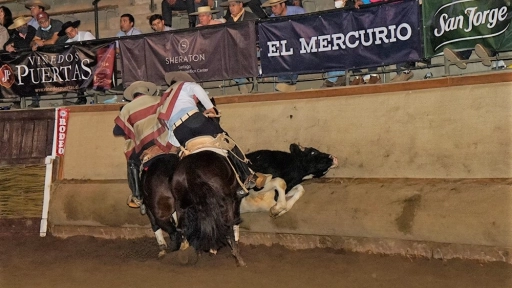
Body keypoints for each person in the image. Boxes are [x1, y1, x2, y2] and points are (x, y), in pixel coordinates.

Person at [162, 72, 269, 198]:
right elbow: (196, 89)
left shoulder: (164, 99)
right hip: (194, 120)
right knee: (225, 138)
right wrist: (210, 108)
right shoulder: (184, 85)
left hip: (178, 131)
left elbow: (166, 126)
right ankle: (248, 176)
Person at [113, 81, 173, 210]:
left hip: (146, 145)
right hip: (165, 141)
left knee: (132, 162)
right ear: (147, 91)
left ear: (134, 95)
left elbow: (117, 131)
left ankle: (137, 196)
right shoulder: (159, 100)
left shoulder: (128, 108)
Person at [261, 0, 305, 92]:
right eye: (271, 7)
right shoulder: (272, 19)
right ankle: (288, 82)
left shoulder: (298, 12)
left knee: (292, 51)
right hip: (284, 47)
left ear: (283, 4)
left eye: (275, 6)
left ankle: (286, 82)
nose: (273, 10)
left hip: (300, 43)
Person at [220, 0, 258, 94]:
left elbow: (258, 35)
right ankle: (242, 82)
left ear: (240, 5)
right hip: (234, 50)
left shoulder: (251, 17)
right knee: (227, 57)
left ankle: (242, 83)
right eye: (230, 6)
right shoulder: (229, 21)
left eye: (233, 5)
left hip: (249, 48)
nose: (231, 8)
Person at [58, 20, 96, 105]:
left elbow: (94, 49)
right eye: (68, 33)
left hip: (90, 63)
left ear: (76, 29)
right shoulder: (67, 43)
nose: (70, 34)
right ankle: (80, 95)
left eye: (71, 31)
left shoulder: (86, 35)